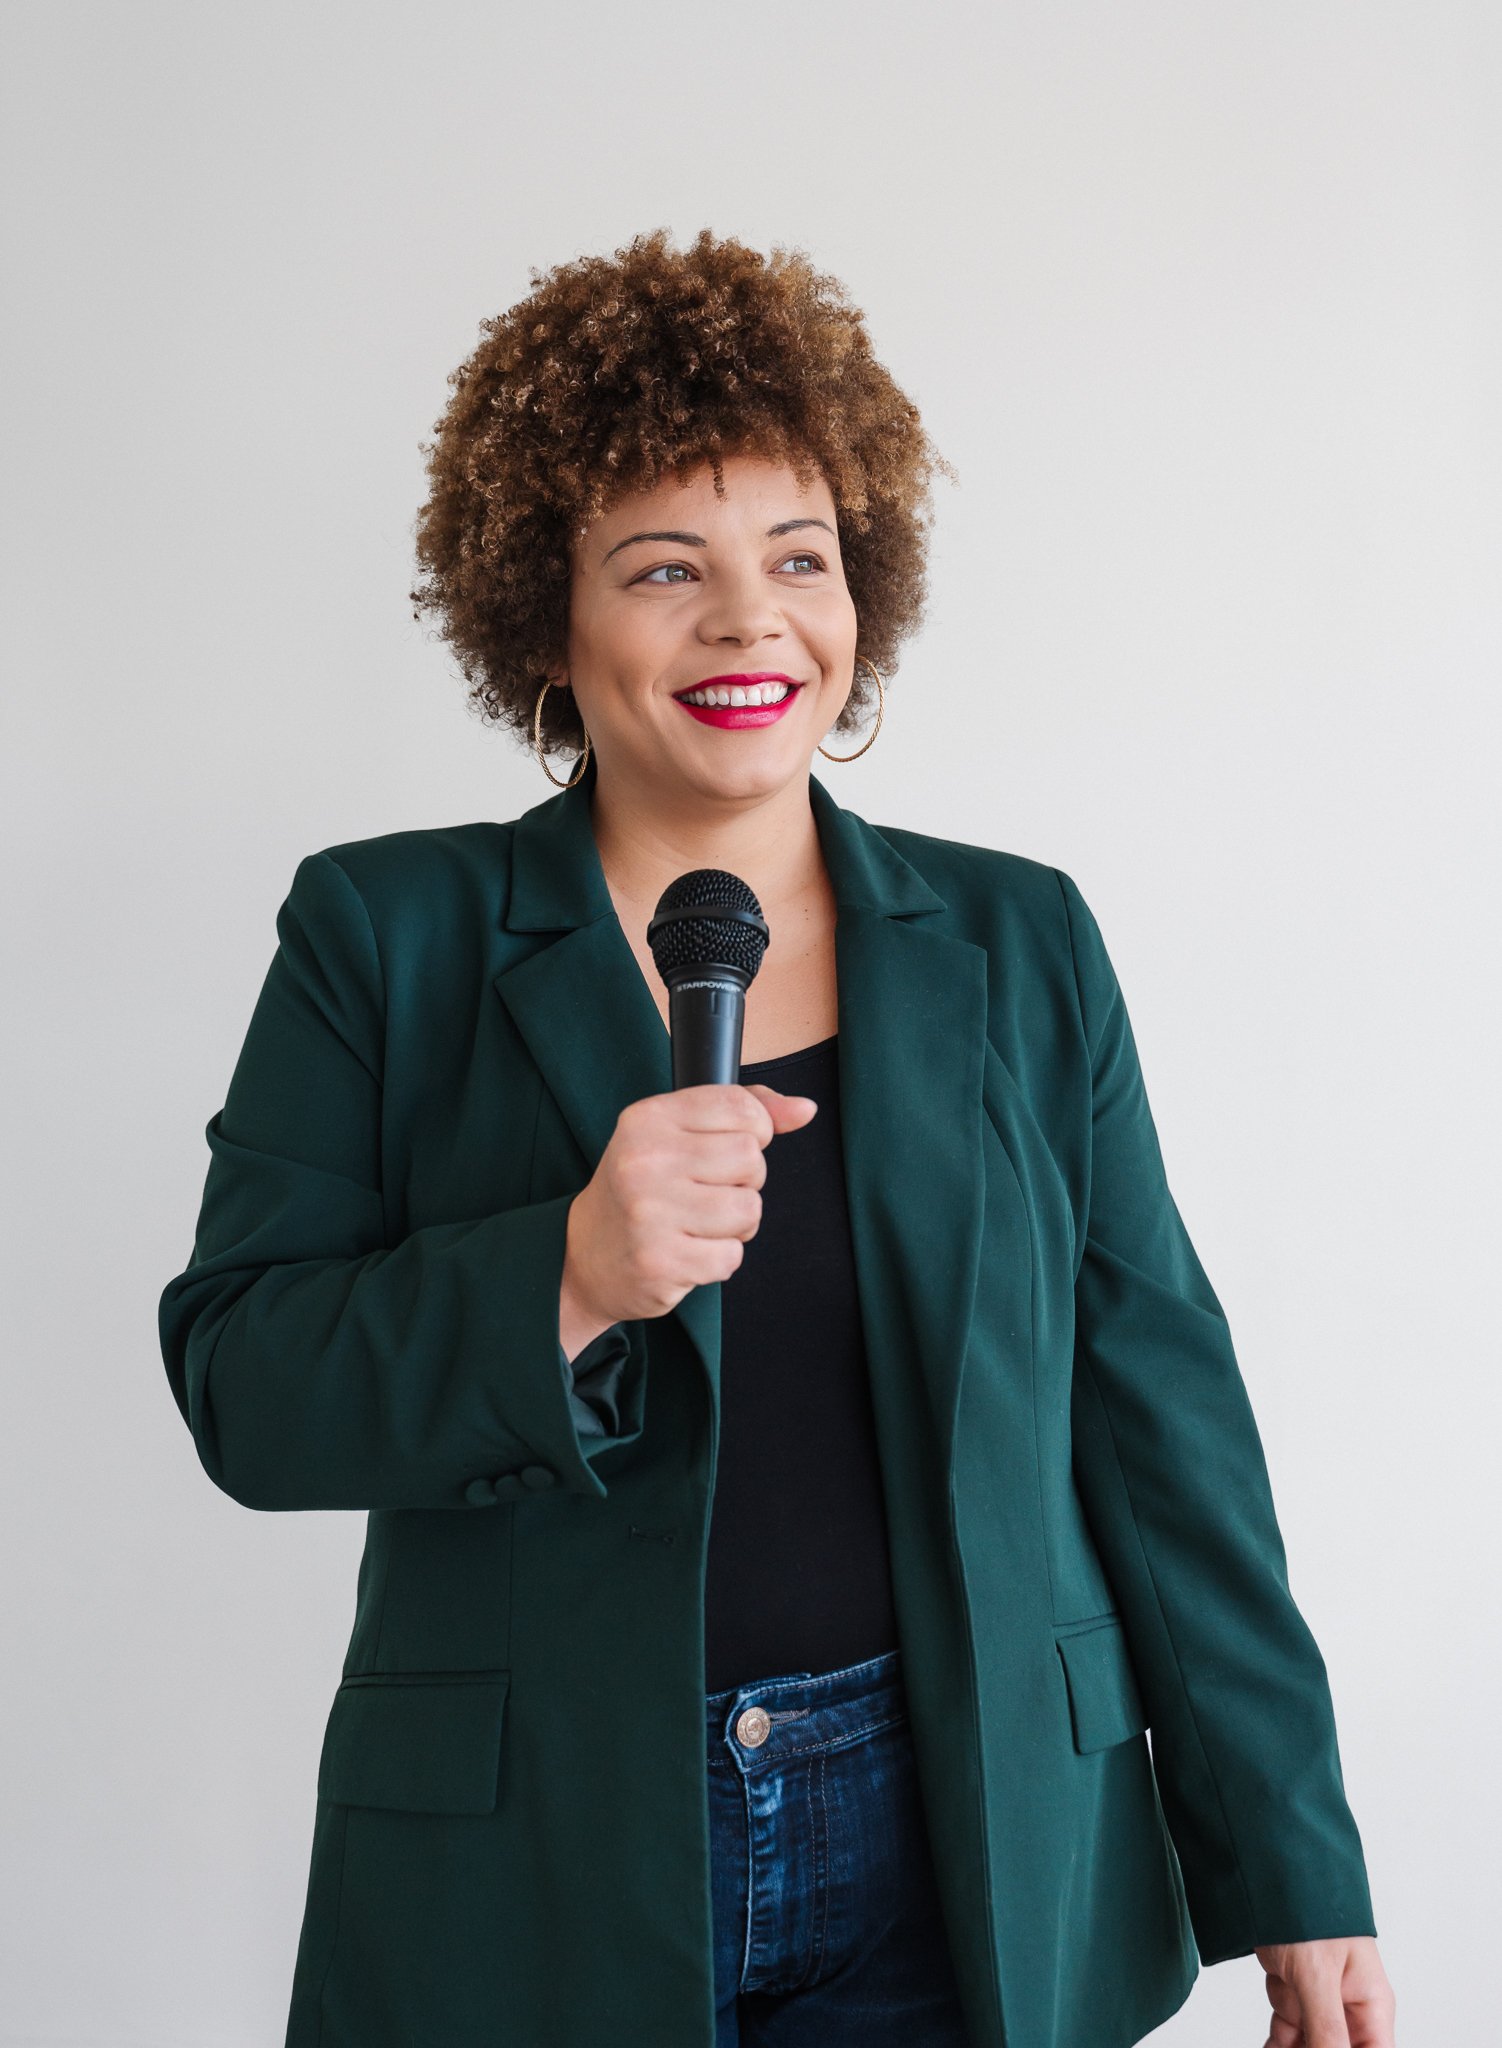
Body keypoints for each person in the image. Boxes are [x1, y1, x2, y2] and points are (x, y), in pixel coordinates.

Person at [158, 228, 1397, 2048]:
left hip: (957, 1845)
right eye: (666, 566)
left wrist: (1292, 1862)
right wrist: (566, 1276)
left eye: (798, 558)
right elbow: (245, 1386)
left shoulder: (1020, 940)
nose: (750, 622)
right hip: (541, 1862)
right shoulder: (382, 935)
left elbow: (1158, 1420)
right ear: (546, 622)